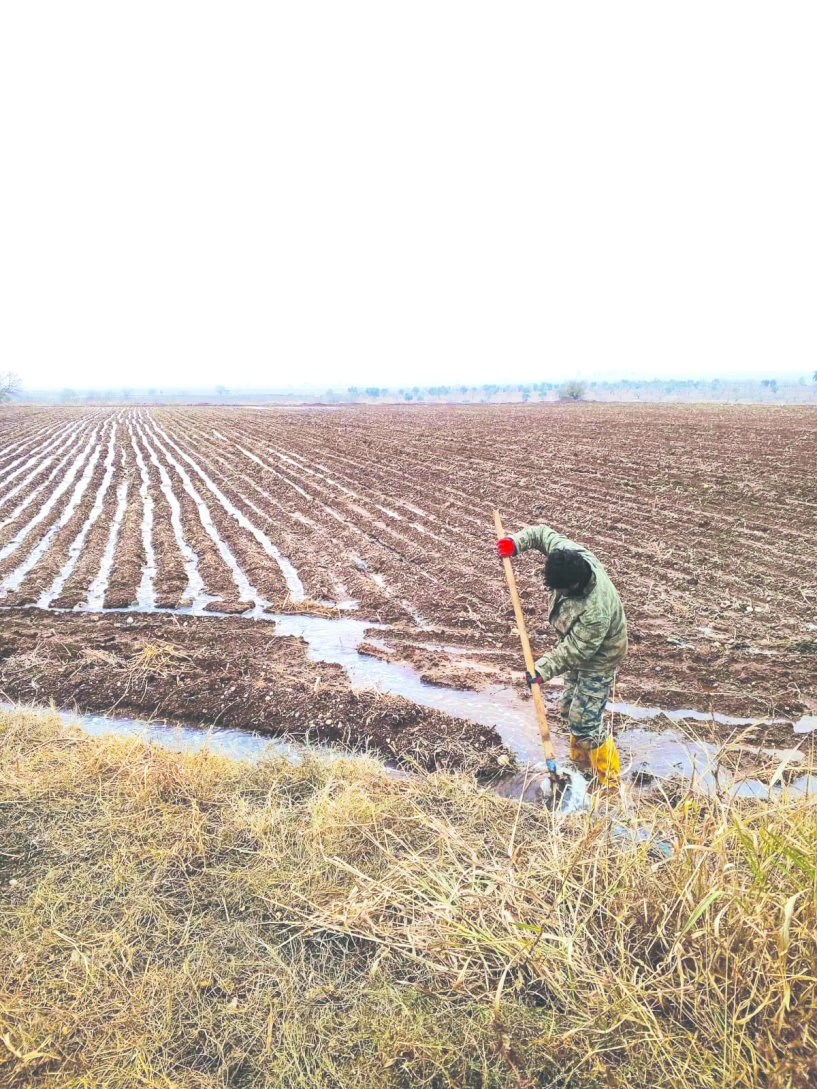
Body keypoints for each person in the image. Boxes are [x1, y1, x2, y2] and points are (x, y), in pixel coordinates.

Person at [497, 523, 627, 786]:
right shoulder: (567, 554)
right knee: (569, 711)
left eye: (565, 591)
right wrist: (515, 543)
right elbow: (541, 533)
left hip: (600, 657)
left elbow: (577, 649)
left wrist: (542, 669)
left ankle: (610, 783)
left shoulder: (595, 610)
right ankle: (581, 769)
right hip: (576, 644)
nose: (561, 594)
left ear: (577, 583)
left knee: (586, 723)